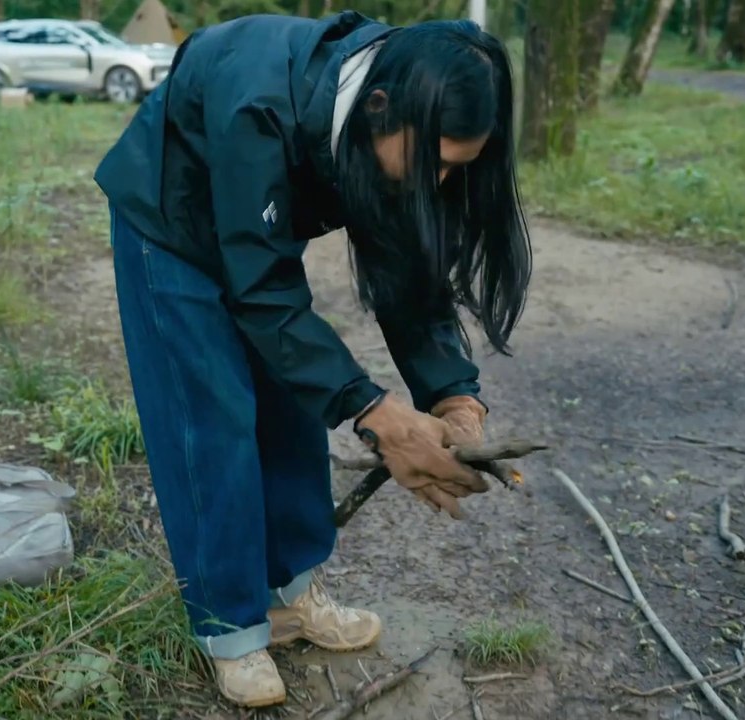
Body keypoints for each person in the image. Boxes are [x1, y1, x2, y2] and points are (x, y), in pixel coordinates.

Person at [93, 10, 531, 708]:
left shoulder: (389, 107)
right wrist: (375, 411)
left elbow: (410, 276)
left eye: (458, 168)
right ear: (380, 108)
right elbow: (260, 290)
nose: (442, 185)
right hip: (170, 220)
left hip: (254, 223)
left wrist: (455, 395)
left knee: (293, 399)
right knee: (211, 414)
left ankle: (290, 592)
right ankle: (230, 626)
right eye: (435, 163)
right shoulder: (258, 101)